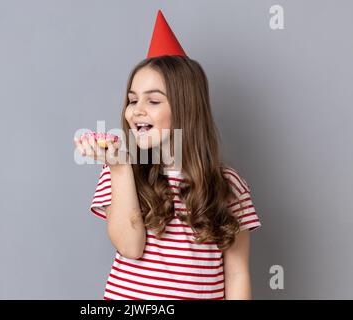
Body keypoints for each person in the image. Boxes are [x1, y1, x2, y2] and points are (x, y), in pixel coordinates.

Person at [74, 10, 261, 300]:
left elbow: (237, 273)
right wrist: (121, 169)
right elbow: (130, 247)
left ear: (187, 108)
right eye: (132, 100)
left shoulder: (227, 184)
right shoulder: (120, 173)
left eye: (153, 100)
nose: (137, 110)